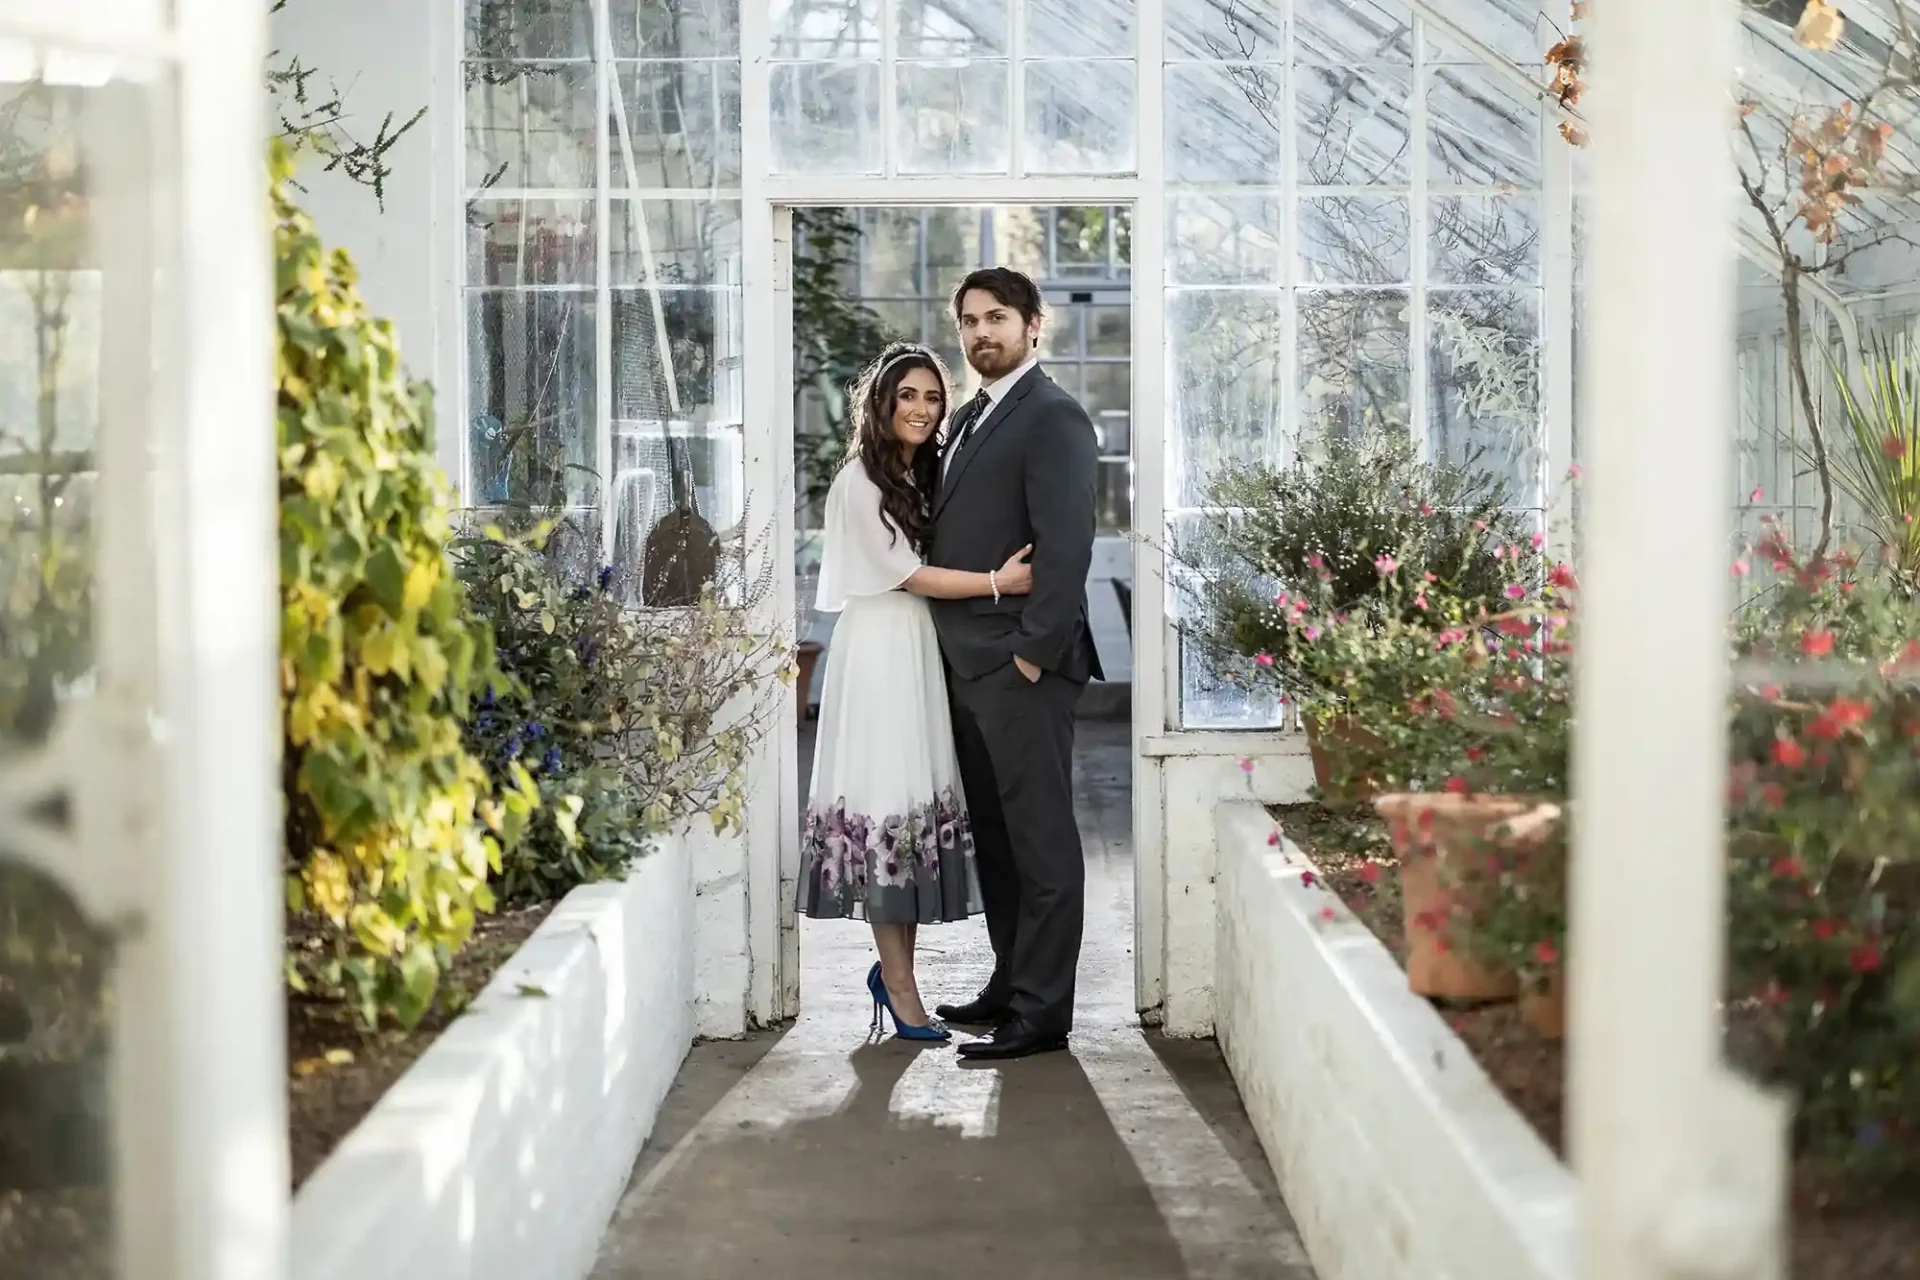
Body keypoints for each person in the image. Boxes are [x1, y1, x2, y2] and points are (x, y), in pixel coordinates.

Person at [797, 341, 1036, 1043]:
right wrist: (1001, 583)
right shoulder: (859, 483)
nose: (923, 410)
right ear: (881, 402)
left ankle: (898, 976)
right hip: (878, 653)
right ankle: (900, 988)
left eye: (933, 398)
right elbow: (910, 576)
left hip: (919, 651)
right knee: (884, 808)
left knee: (910, 810)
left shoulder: (921, 475)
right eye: (908, 396)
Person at [926, 267, 1102, 1061]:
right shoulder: (968, 417)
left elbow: (1066, 549)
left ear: (1036, 326)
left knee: (1041, 844)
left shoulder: (1054, 417)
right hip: (969, 667)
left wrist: (1030, 655)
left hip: (1020, 665)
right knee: (994, 839)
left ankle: (1043, 1013)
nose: (980, 334)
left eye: (997, 318)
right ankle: (1009, 984)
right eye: (968, 321)